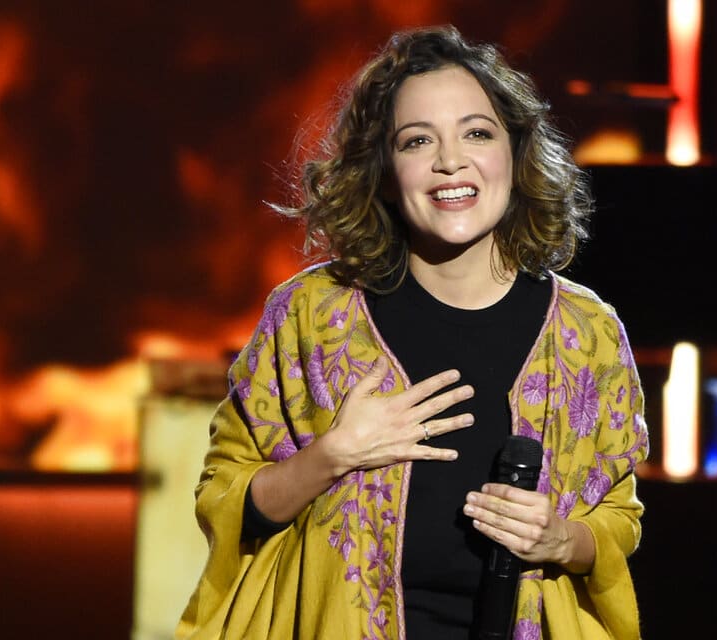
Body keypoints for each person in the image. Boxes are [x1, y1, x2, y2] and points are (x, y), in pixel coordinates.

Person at [176, 25, 650, 640]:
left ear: (515, 155)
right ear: (383, 170)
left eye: (476, 133)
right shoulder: (312, 315)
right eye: (417, 140)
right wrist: (332, 456)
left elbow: (618, 519)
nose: (450, 160)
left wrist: (563, 539)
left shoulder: (588, 333)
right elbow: (224, 499)